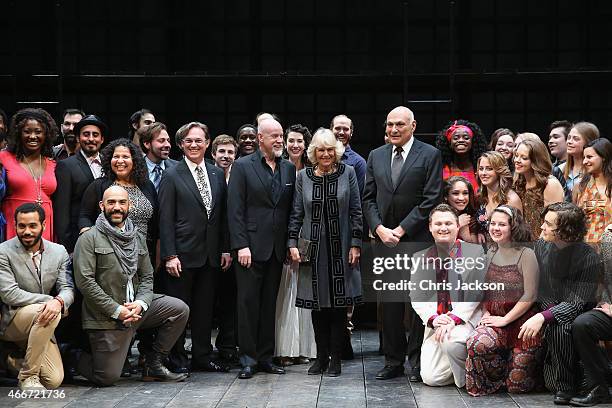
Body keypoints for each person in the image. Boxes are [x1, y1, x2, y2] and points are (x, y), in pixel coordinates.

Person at [73, 186, 189, 386]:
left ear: (130, 205)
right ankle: (69, 355)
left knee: (179, 309)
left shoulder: (136, 237)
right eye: (111, 203)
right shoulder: (88, 239)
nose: (116, 207)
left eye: (121, 202)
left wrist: (141, 303)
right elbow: (85, 282)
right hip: (106, 316)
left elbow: (147, 276)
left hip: (135, 309)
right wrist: (117, 310)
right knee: (106, 378)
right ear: (102, 206)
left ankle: (154, 363)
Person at [363, 106, 442, 382]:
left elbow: (430, 199)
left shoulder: (430, 154)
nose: (393, 129)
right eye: (389, 124)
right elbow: (368, 198)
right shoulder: (376, 155)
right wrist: (379, 228)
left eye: (399, 124)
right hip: (385, 242)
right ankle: (393, 361)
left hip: (417, 239)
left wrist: (400, 228)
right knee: (391, 305)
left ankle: (417, 361)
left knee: (419, 304)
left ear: (413, 126)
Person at [287, 128, 362, 377]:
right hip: (312, 250)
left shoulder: (348, 172)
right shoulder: (303, 177)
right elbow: (297, 213)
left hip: (340, 248)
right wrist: (291, 244)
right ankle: (320, 357)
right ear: (314, 152)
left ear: (336, 151)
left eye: (330, 149)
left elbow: (356, 211)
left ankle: (336, 358)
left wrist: (355, 243)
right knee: (316, 306)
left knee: (338, 306)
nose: (326, 154)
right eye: (321, 150)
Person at [158, 122, 231, 373]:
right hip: (182, 255)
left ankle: (202, 355)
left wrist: (224, 249)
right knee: (180, 309)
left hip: (210, 255)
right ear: (181, 145)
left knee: (204, 310)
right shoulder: (171, 174)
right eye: (188, 141)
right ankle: (176, 357)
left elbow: (220, 217)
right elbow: (165, 218)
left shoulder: (215, 173)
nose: (194, 145)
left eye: (199, 140)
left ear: (207, 143)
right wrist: (169, 255)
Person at [228, 117, 296, 379]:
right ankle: (248, 359)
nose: (280, 140)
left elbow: (290, 210)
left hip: (277, 250)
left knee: (270, 305)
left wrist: (290, 243)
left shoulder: (288, 168)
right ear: (260, 139)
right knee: (247, 304)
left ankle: (266, 357)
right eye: (275, 136)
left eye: (281, 136)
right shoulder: (242, 167)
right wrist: (241, 245)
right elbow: (235, 211)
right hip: (250, 249)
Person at [519, 202, 600, 404]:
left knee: (560, 325)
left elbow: (576, 303)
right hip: (548, 305)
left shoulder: (588, 258)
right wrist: (547, 311)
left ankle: (568, 385)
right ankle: (564, 385)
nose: (542, 228)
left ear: (566, 230)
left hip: (579, 311)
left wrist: (544, 316)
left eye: (548, 224)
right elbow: (540, 287)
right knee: (556, 324)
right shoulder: (541, 246)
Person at [465, 205, 542, 396]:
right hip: (496, 321)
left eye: (502, 224)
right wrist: (487, 312)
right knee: (476, 342)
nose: (495, 228)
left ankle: (517, 365)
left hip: (522, 325)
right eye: (492, 223)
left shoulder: (527, 254)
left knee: (517, 387)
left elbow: (530, 295)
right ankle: (498, 373)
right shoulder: (490, 251)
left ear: (513, 227)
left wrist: (506, 319)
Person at [0, 203, 74, 390]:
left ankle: (13, 359)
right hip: (11, 321)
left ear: (44, 225)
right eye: (21, 226)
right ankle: (28, 376)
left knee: (54, 380)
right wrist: (51, 301)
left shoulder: (59, 251)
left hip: (41, 321)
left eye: (32, 225)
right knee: (52, 310)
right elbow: (10, 294)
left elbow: (67, 289)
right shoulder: (3, 251)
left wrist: (59, 300)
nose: (27, 231)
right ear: (14, 225)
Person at [411, 204, 485, 387]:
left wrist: (453, 318)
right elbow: (417, 296)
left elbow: (476, 292)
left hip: (465, 319)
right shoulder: (419, 258)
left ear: (457, 226)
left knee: (451, 342)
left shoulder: (475, 253)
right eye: (438, 224)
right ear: (430, 227)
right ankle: (470, 364)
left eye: (448, 223)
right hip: (437, 323)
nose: (443, 228)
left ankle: (469, 380)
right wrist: (435, 319)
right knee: (431, 378)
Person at [275, 124, 316, 367]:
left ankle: (305, 348)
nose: (295, 145)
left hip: (308, 237)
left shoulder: (311, 172)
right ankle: (285, 348)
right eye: (291, 140)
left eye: (300, 141)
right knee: (287, 293)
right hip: (285, 237)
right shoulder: (280, 169)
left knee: (306, 292)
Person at [79, 139, 158, 244]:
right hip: (109, 251)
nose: (120, 161)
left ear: (134, 160)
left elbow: (156, 223)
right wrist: (87, 236)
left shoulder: (147, 185)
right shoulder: (98, 186)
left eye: (125, 157)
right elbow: (85, 215)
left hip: (144, 251)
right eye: (116, 157)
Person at [0, 108, 58, 242]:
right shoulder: (3, 158)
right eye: (27, 131)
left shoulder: (52, 163)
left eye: (38, 132)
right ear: (18, 133)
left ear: (46, 135)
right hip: (15, 224)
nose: (32, 136)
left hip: (45, 226)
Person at [570, 224, 612, 406]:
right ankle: (599, 388)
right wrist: (603, 301)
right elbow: (603, 276)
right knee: (583, 324)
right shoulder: (608, 236)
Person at [54, 114, 107, 254]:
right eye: (86, 134)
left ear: (102, 139)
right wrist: (67, 247)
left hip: (108, 239)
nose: (91, 139)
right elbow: (62, 211)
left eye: (95, 135)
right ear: (78, 138)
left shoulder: (110, 164)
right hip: (78, 239)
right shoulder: (66, 166)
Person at [210, 133, 239, 363]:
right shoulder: (209, 176)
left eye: (230, 152)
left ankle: (228, 344)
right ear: (213, 154)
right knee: (212, 299)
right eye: (222, 152)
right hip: (212, 248)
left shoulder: (240, 175)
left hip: (236, 248)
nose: (226, 156)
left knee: (231, 299)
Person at [513, 138, 564, 240]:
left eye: (524, 158)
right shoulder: (518, 182)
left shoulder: (549, 184)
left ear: (536, 160)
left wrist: (538, 249)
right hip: (524, 243)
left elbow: (552, 222)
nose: (517, 160)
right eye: (516, 156)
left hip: (545, 243)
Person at [475, 151, 522, 243]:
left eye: (489, 169)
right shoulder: (480, 196)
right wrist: (479, 232)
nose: (483, 173)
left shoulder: (511, 199)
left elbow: (518, 235)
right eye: (481, 168)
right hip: (482, 252)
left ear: (499, 171)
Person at [573, 138, 612, 245]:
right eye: (584, 157)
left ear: (603, 157)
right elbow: (575, 222)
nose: (585, 161)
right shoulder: (580, 186)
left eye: (589, 157)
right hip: (588, 250)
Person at [436, 119, 488, 193]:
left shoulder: (480, 169)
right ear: (449, 143)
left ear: (472, 142)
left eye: (466, 138)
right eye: (456, 138)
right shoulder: (440, 168)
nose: (461, 140)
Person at [137, 122, 178, 193]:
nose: (167, 145)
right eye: (161, 141)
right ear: (147, 144)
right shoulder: (135, 168)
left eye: (168, 141)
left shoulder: (178, 168)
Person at [331, 115, 366, 196]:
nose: (341, 132)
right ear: (331, 130)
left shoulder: (358, 162)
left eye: (346, 129)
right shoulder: (321, 157)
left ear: (351, 133)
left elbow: (359, 197)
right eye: (337, 128)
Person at [564, 121, 600, 196]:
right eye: (569, 137)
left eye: (576, 139)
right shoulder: (559, 169)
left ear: (588, 143)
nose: (569, 142)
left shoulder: (597, 171)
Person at [443, 176, 479, 243]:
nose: (461, 198)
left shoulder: (471, 218)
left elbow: (475, 249)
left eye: (465, 193)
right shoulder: (438, 216)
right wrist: (457, 224)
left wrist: (466, 236)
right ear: (446, 196)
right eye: (455, 193)